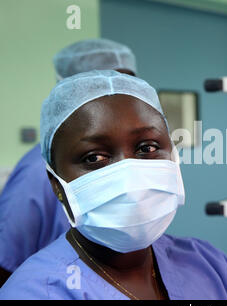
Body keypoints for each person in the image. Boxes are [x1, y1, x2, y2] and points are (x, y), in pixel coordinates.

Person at [0, 70, 227, 300]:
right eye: (95, 157)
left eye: (147, 148)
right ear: (56, 184)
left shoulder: (208, 265)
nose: (129, 174)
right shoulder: (36, 292)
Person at [0, 39, 137, 286]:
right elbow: (6, 263)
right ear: (70, 93)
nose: (122, 98)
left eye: (129, 86)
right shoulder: (37, 172)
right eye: (103, 87)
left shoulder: (136, 165)